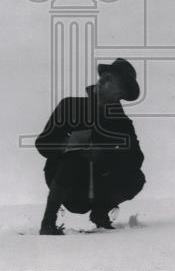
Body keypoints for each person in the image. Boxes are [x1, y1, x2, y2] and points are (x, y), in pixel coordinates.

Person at [34, 58, 146, 235]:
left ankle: (100, 213)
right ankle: (48, 222)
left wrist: (104, 155)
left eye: (109, 79)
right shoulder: (70, 106)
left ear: (120, 92)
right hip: (68, 187)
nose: (101, 80)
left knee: (136, 178)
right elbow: (42, 143)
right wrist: (68, 144)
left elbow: (137, 158)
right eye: (102, 76)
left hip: (99, 187)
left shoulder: (122, 124)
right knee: (73, 158)